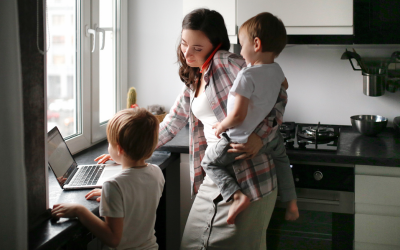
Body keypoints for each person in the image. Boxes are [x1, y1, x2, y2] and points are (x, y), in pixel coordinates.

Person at [95, 8, 296, 250]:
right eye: (183, 44)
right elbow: (172, 122)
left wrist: (260, 138)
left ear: (215, 45)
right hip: (217, 176)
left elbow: (278, 92)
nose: (187, 53)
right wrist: (127, 150)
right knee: (191, 243)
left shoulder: (226, 61)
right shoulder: (195, 79)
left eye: (197, 48)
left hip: (249, 177)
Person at [200, 12, 299, 225]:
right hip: (269, 140)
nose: (239, 51)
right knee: (283, 160)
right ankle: (291, 202)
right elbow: (285, 87)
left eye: (241, 44)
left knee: (209, 162)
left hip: (239, 140)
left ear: (256, 44)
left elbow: (237, 116)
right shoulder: (277, 70)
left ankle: (237, 196)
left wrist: (221, 126)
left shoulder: (246, 75)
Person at [51, 108, 165, 250]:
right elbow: (135, 195)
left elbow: (113, 239)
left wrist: (80, 211)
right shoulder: (157, 172)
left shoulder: (113, 186)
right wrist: (111, 195)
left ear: (120, 149)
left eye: (110, 143)